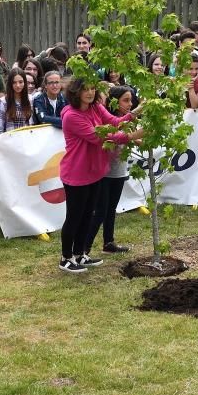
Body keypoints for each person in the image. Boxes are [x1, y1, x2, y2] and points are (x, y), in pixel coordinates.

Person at [58, 79, 141, 274]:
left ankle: (79, 254)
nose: (89, 92)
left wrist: (137, 111)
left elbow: (115, 122)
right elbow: (100, 137)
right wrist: (132, 136)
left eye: (92, 88)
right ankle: (65, 257)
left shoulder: (95, 107)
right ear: (75, 92)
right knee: (74, 217)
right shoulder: (71, 116)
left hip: (95, 171)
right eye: (84, 89)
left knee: (88, 215)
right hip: (77, 173)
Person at [87, 85, 137, 255]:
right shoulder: (108, 120)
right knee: (100, 211)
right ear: (114, 102)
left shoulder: (126, 120)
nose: (130, 104)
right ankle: (84, 249)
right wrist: (135, 136)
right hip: (105, 173)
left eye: (131, 100)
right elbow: (114, 138)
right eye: (126, 100)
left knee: (111, 208)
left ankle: (108, 242)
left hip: (119, 170)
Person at [0, 68, 37, 133]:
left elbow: (31, 123)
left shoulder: (30, 99)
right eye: (14, 82)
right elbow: (0, 128)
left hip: (27, 137)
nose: (18, 85)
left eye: (20, 82)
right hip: (10, 139)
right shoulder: (3, 102)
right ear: (10, 84)